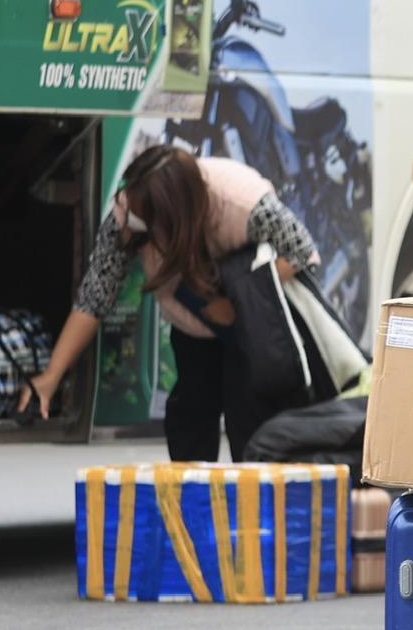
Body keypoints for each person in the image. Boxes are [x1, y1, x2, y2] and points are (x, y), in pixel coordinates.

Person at [22, 145, 321, 462]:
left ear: (174, 216)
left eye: (144, 219)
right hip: (191, 323)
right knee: (189, 416)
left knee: (249, 422)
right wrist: (52, 376)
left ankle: (254, 507)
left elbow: (302, 253)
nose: (132, 219)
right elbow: (96, 295)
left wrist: (239, 301)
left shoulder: (241, 202)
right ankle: (190, 505)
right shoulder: (128, 211)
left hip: (249, 326)